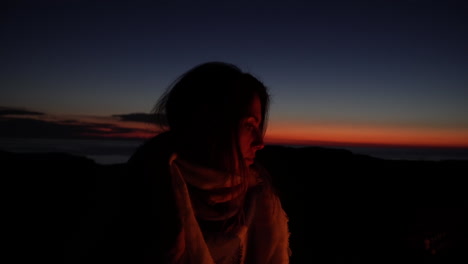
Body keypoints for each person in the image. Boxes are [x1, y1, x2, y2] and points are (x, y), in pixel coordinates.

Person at [66, 61, 291, 264]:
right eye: (249, 126)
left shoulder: (258, 194)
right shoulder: (145, 193)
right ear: (211, 126)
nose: (260, 142)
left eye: (258, 127)